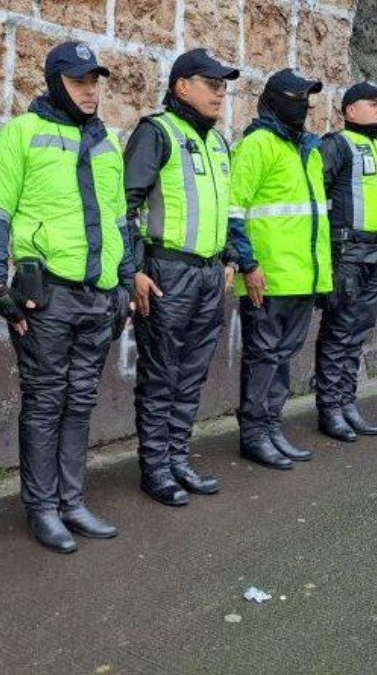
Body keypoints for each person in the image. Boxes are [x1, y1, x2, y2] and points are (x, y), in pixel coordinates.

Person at [0, 42, 132, 553]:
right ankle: (43, 508)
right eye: (79, 82)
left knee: (82, 397)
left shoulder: (109, 139)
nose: (90, 92)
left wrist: (126, 280)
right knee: (46, 400)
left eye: (95, 82)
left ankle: (72, 501)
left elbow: (117, 220)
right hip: (47, 295)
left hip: (100, 294)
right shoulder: (23, 133)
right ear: (54, 81)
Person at [123, 48, 239, 507]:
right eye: (211, 84)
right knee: (160, 374)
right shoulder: (157, 133)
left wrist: (229, 259)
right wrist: (133, 269)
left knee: (190, 375)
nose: (221, 93)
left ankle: (177, 456)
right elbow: (125, 206)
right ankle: (155, 467)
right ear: (181, 87)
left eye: (224, 86)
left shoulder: (218, 142)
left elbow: (224, 209)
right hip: (167, 271)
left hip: (210, 274)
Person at [228, 68, 332, 471]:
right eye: (297, 97)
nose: (304, 105)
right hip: (266, 279)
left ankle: (272, 426)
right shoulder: (258, 144)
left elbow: (313, 218)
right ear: (275, 100)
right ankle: (254, 435)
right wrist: (248, 265)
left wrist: (321, 274)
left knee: (283, 358)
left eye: (308, 98)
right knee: (262, 357)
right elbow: (234, 210)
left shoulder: (306, 148)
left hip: (301, 277)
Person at [314, 82, 377, 442]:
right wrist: (329, 254)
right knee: (339, 331)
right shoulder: (336, 145)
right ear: (349, 110)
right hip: (347, 254)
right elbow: (316, 199)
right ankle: (330, 407)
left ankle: (347, 402)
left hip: (376, 252)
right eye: (373, 103)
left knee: (357, 332)